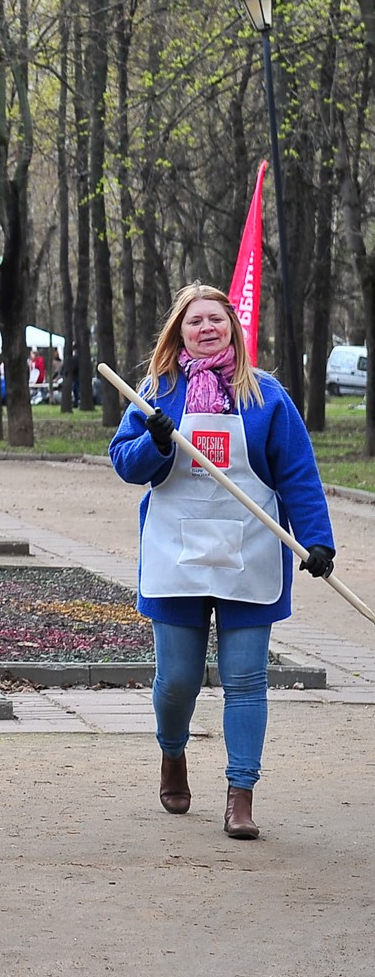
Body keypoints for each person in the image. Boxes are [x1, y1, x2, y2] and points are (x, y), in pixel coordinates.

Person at [109, 283, 334, 840]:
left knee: (247, 678)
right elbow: (126, 464)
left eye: (216, 319)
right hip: (175, 553)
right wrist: (156, 443)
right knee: (177, 680)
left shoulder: (267, 397)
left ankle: (240, 794)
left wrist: (317, 540)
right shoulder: (157, 390)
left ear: (233, 326)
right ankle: (173, 752)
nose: (206, 328)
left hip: (249, 553)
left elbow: (298, 474)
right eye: (194, 321)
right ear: (178, 331)